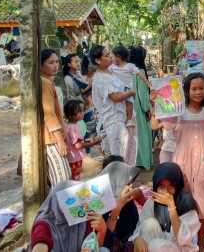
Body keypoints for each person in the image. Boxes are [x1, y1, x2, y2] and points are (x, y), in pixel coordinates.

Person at [150, 72, 204, 248]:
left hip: (203, 165)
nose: (198, 92)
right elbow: (155, 125)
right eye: (193, 88)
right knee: (181, 203)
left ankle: (200, 245)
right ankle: (181, 244)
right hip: (183, 164)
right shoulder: (178, 112)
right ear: (186, 91)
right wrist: (155, 103)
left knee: (202, 207)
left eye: (201, 88)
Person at [31, 178, 135, 252]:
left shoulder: (81, 220)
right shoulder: (44, 224)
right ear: (56, 202)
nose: (74, 205)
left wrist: (102, 230)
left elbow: (95, 247)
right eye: (68, 201)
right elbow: (40, 243)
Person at [131, 162, 200, 252]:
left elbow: (184, 239)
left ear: (177, 185)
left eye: (171, 187)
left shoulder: (186, 201)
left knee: (155, 246)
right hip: (158, 245)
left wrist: (171, 206)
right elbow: (139, 229)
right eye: (161, 186)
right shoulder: (152, 202)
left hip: (181, 248)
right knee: (149, 224)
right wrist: (137, 239)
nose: (166, 192)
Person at [90, 45, 137, 165]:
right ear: (98, 60)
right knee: (120, 157)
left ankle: (127, 181)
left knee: (127, 154)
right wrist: (130, 92)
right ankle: (120, 182)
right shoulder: (101, 78)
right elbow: (115, 97)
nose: (110, 57)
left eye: (109, 53)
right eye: (106, 55)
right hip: (114, 121)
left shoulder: (111, 71)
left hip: (123, 118)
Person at [40, 48, 71, 186]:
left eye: (57, 62)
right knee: (62, 180)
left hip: (50, 136)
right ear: (40, 65)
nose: (55, 65)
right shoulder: (45, 83)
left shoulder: (46, 81)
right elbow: (49, 113)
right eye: (51, 62)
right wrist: (59, 139)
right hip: (51, 138)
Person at [101, 157, 144, 243]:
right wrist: (116, 211)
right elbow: (104, 242)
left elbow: (135, 228)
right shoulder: (100, 205)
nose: (130, 186)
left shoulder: (128, 200)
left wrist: (140, 195)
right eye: (124, 177)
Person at [110, 45, 150, 128]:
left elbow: (140, 75)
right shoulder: (113, 68)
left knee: (129, 103)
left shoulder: (128, 67)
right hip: (133, 104)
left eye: (112, 56)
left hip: (125, 94)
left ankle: (129, 120)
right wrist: (148, 109)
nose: (111, 58)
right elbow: (143, 95)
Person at [63, 99, 103, 180]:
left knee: (71, 177)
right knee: (75, 178)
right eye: (80, 111)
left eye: (83, 110)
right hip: (75, 159)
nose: (83, 113)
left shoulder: (66, 125)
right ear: (71, 115)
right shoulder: (74, 128)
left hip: (69, 158)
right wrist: (94, 143)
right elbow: (78, 145)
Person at [128, 45, 153, 170]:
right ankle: (142, 160)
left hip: (128, 108)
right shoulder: (140, 72)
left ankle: (134, 159)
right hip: (138, 108)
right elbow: (143, 95)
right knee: (142, 134)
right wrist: (148, 109)